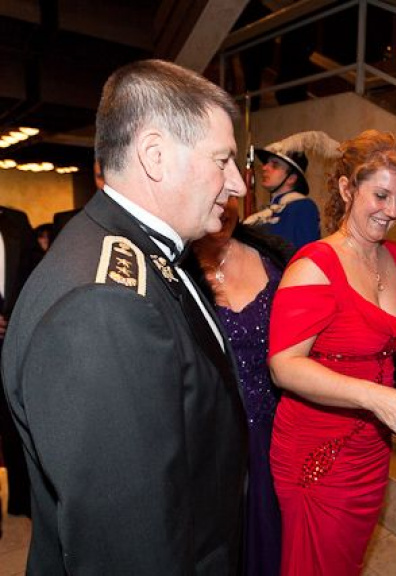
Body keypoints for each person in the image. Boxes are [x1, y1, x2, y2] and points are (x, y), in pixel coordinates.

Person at [1, 59, 248, 574]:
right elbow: (127, 548)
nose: (238, 185)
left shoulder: (139, 250)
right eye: (223, 160)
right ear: (155, 155)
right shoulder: (104, 308)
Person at [268, 129, 396, 575]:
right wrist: (376, 396)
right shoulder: (314, 265)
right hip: (317, 451)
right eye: (380, 196)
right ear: (347, 189)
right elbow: (284, 366)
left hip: (373, 444)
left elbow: (392, 343)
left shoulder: (395, 257)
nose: (393, 211)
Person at [192, 196, 294, 576]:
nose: (224, 205)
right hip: (213, 440)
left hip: (282, 430)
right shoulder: (174, 272)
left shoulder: (276, 257)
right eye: (213, 193)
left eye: (230, 195)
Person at [0, 206, 40, 522]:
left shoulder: (15, 221)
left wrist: (17, 318)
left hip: (14, 343)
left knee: (16, 424)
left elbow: (37, 276)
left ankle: (21, 502)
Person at [245, 131, 339, 249]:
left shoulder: (303, 207)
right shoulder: (269, 210)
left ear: (291, 178)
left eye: (275, 165)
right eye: (266, 164)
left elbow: (304, 253)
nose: (264, 168)